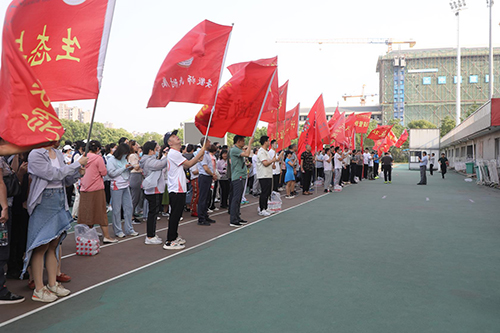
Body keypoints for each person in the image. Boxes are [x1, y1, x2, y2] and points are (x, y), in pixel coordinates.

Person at [23, 143, 88, 302]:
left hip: (59, 199)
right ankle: (39, 289)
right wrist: (76, 164)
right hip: (44, 201)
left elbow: (65, 179)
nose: (57, 136)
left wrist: (78, 173)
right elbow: (53, 174)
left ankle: (52, 283)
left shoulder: (58, 154)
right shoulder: (35, 154)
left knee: (54, 245)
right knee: (40, 246)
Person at [164, 131, 207, 249]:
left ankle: (174, 235)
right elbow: (189, 163)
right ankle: (170, 240)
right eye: (173, 137)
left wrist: (198, 158)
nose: (177, 137)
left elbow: (185, 165)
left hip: (179, 188)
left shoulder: (176, 153)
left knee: (177, 215)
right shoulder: (173, 153)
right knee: (175, 215)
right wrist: (199, 154)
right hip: (176, 188)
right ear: (170, 143)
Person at [78, 140, 117, 243]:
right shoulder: (98, 158)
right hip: (96, 188)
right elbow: (103, 172)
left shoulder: (82, 158)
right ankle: (107, 236)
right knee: (101, 212)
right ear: (98, 149)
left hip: (84, 188)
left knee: (87, 213)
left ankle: (89, 234)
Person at [0, 157, 25, 304]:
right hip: (2, 208)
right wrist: (4, 207)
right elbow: (0, 183)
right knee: (2, 250)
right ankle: (1, 291)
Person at [140, 141, 168, 245]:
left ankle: (152, 234)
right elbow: (160, 165)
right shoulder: (148, 161)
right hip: (153, 189)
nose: (158, 150)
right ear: (151, 151)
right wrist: (168, 156)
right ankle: (150, 236)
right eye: (156, 149)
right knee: (153, 213)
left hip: (154, 188)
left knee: (154, 213)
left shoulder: (148, 159)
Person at [107, 143, 138, 238]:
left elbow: (124, 170)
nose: (126, 155)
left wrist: (129, 168)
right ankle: (118, 230)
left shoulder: (124, 159)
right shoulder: (111, 160)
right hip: (116, 186)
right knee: (116, 209)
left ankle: (129, 229)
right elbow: (111, 173)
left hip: (125, 184)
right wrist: (123, 168)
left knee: (129, 207)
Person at [229, 135, 253, 227]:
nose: (244, 142)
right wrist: (250, 143)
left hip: (241, 175)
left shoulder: (238, 150)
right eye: (243, 141)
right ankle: (233, 219)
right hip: (237, 176)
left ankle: (237, 217)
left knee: (238, 198)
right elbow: (247, 154)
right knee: (236, 198)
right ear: (238, 141)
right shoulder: (234, 150)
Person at [257, 136, 282, 216]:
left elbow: (268, 163)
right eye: (268, 141)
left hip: (268, 174)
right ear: (265, 142)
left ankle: (266, 207)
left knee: (268, 192)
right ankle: (262, 209)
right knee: (264, 192)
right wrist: (272, 161)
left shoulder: (266, 151)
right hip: (263, 175)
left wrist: (272, 165)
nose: (269, 142)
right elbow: (265, 163)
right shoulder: (261, 151)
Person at [197, 138, 216, 226]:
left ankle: (205, 215)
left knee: (207, 197)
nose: (210, 144)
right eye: (209, 142)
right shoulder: (202, 153)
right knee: (203, 198)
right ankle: (201, 218)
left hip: (207, 177)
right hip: (204, 176)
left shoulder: (207, 153)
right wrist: (212, 174)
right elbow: (205, 168)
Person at [128, 140, 143, 224]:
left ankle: (132, 214)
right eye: (136, 145)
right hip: (135, 176)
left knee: (135, 197)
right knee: (135, 197)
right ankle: (131, 216)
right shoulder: (133, 155)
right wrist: (140, 163)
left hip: (135, 176)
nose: (138, 146)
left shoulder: (133, 155)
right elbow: (136, 166)